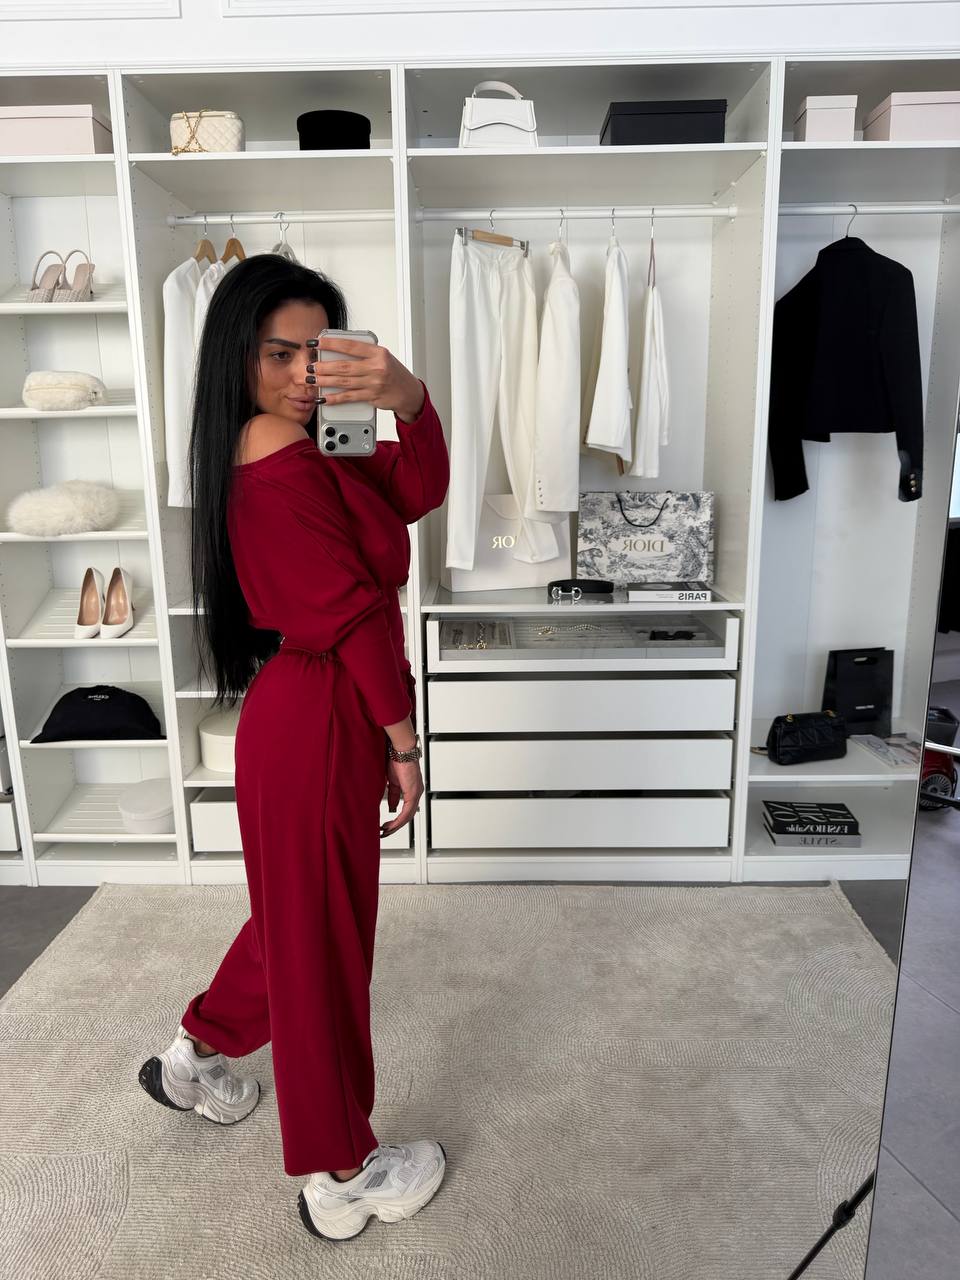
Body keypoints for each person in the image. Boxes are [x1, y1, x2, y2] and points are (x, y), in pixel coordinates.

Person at [137, 254, 450, 1241]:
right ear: (238, 356)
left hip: (310, 711)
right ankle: (342, 1172)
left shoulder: (317, 441)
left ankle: (197, 1054)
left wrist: (408, 398)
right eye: (279, 354)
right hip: (322, 712)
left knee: (297, 919)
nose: (302, 374)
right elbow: (352, 613)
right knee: (325, 951)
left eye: (318, 353)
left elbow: (413, 490)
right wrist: (403, 742)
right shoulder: (275, 450)